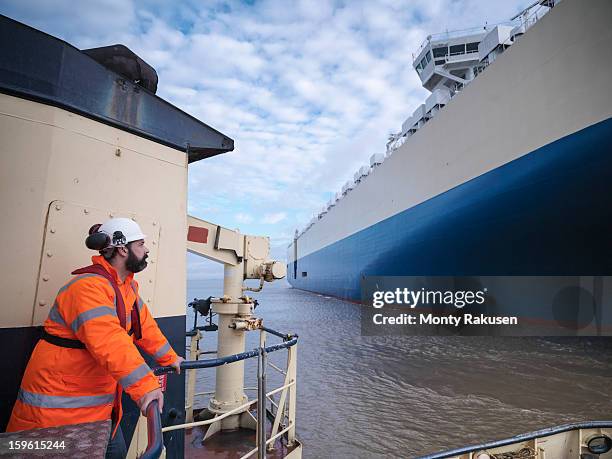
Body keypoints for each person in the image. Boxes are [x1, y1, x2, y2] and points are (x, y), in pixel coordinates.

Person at [6, 217, 185, 458]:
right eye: (141, 244)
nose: (147, 249)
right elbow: (110, 341)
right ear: (123, 249)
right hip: (56, 420)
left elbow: (146, 328)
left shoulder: (125, 287)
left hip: (101, 415)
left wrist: (170, 358)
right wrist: (145, 387)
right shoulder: (86, 288)